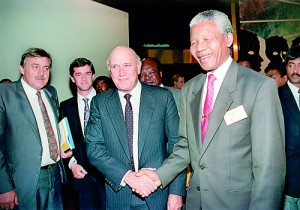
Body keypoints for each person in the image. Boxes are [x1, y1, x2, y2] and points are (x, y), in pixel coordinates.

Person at [137, 10, 286, 210]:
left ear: (228, 39)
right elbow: (185, 147)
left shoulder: (258, 87)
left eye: (207, 38)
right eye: (194, 42)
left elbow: (270, 169)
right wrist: (157, 176)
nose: (199, 48)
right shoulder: (190, 88)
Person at [85, 46, 186, 209]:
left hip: (158, 194)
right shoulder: (100, 103)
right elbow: (94, 149)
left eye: (127, 65)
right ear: (110, 71)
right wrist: (128, 177)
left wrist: (176, 192)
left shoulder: (163, 98)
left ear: (138, 67)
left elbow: (177, 146)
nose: (121, 72)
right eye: (115, 67)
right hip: (119, 195)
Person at [0, 47, 72, 210]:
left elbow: (50, 129)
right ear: (21, 68)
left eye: (46, 68)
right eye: (35, 66)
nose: (42, 72)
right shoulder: (4, 94)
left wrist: (61, 147)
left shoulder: (50, 93)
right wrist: (4, 187)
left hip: (55, 176)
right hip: (22, 182)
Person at [59, 58, 106, 210]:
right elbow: (64, 141)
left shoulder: (107, 101)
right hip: (81, 175)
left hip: (107, 175)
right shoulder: (65, 106)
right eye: (78, 74)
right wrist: (72, 165)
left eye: (87, 73)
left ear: (93, 75)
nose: (84, 78)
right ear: (72, 78)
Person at [278, 45, 300, 209]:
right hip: (288, 181)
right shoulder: (276, 96)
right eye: (291, 65)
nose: (295, 70)